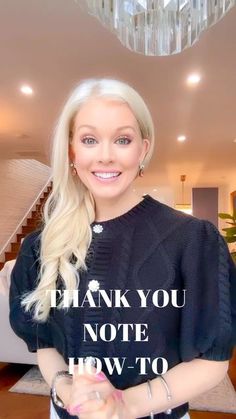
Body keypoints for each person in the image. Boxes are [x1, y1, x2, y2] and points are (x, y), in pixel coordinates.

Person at [9, 78, 236, 419]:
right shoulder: (42, 247)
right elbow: (45, 344)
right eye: (89, 139)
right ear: (72, 150)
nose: (105, 155)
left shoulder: (194, 240)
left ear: (143, 149)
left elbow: (212, 361)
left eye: (123, 139)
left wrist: (126, 405)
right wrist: (67, 389)